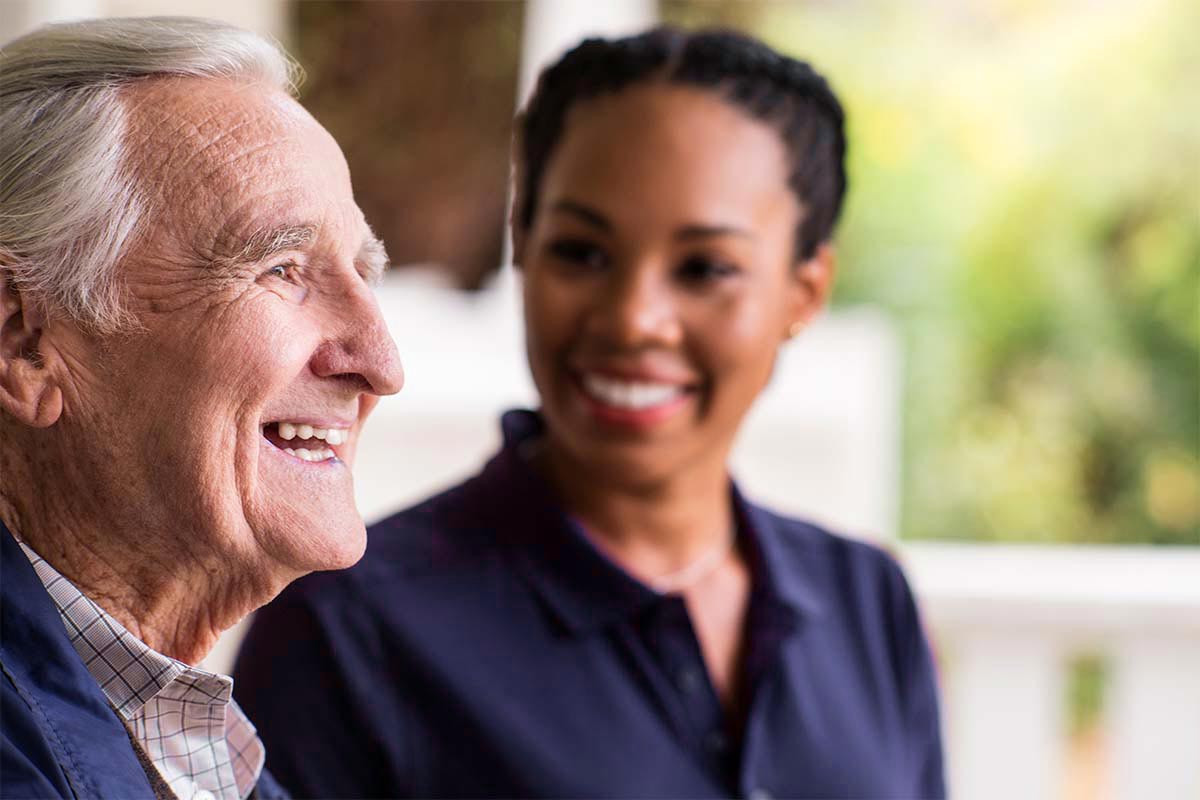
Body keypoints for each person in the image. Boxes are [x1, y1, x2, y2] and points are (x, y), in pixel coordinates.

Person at [235, 26, 944, 799]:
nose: (634, 318)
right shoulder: (350, 630)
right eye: (583, 252)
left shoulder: (868, 601)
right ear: (523, 246)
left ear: (803, 292)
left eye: (704, 268)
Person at [0, 16, 403, 800]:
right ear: (23, 341)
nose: (380, 365)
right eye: (281, 268)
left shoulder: (179, 729)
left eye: (364, 272)